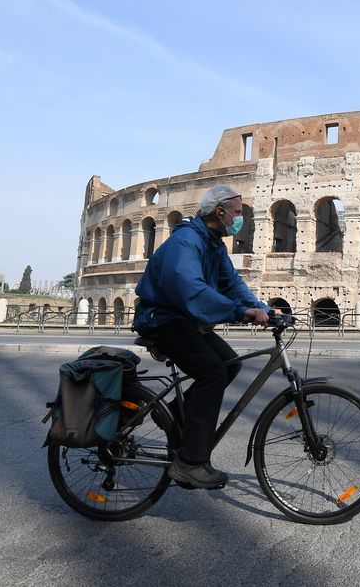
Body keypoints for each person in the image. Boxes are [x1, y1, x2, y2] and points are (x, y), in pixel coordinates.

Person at [133, 184, 272, 489]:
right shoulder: (186, 241)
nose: (240, 219)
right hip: (163, 319)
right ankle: (190, 462)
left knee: (230, 363)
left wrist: (263, 309)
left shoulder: (213, 244)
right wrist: (240, 312)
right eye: (237, 213)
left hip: (185, 320)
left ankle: (172, 413)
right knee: (212, 372)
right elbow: (191, 290)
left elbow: (232, 283)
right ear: (219, 212)